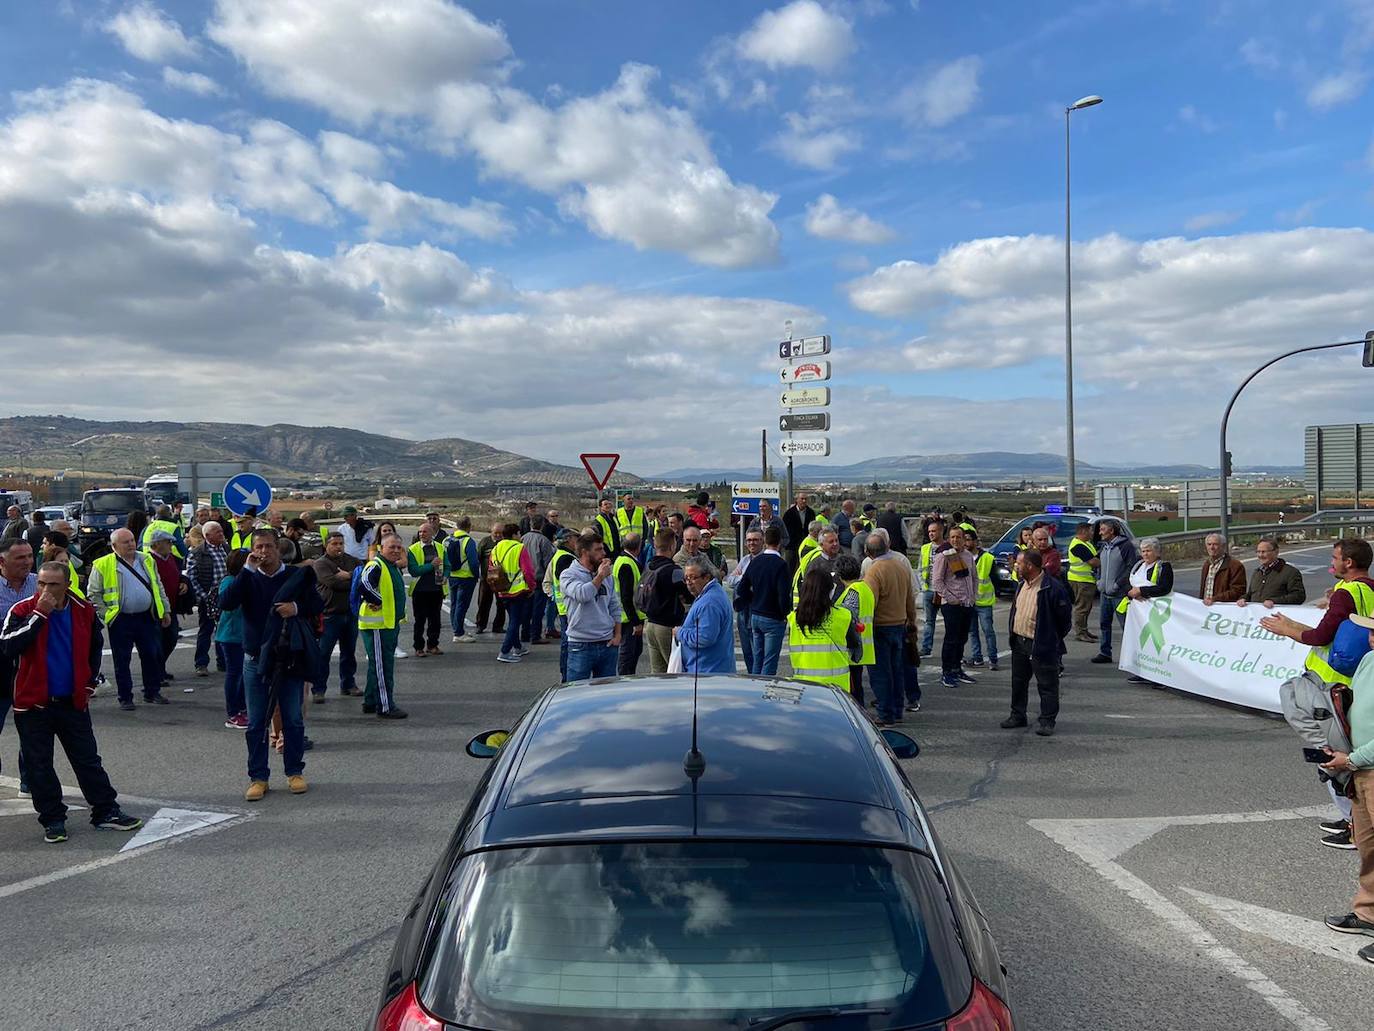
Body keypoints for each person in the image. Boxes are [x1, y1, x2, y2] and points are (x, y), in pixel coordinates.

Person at [0, 561, 142, 843]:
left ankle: (106, 811)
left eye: (53, 584)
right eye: (41, 583)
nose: (46, 590)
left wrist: (88, 684)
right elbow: (7, 645)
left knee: (88, 760)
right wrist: (40, 614)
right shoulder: (23, 610)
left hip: (71, 702)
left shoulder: (83, 610)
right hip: (34, 704)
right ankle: (53, 819)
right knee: (40, 766)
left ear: (67, 584)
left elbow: (93, 648)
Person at [1263, 538, 1374, 849]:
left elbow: (1321, 636)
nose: (1332, 561)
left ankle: (1356, 826)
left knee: (1331, 755)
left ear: (1348, 563)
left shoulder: (1345, 593)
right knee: (1345, 751)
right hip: (1356, 682)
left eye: (1335, 557)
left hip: (1331, 686)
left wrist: (1287, 628)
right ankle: (1352, 817)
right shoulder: (1369, 589)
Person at [220, 529, 324, 799]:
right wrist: (246, 571)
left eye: (268, 547)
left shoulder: (294, 576)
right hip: (255, 658)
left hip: (288, 657)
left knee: (292, 718)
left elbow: (316, 603)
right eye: (258, 547)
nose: (263, 552)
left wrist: (296, 609)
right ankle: (258, 777)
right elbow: (227, 603)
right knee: (256, 722)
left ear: (278, 549)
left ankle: (294, 772)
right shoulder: (248, 577)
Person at [1315, 612, 1374, 963]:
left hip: (1363, 763)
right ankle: (1368, 913)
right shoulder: (1368, 661)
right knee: (1367, 846)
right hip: (1361, 768)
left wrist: (1351, 759)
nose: (1369, 637)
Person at [87, 528, 170, 710]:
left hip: (146, 617)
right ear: (114, 546)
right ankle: (125, 697)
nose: (131, 544)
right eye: (126, 542)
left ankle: (152, 691)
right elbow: (94, 595)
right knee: (122, 660)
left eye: (132, 540)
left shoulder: (146, 559)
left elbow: (158, 585)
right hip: (121, 620)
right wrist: (107, 616)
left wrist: (165, 610)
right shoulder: (102, 564)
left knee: (151, 655)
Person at [1001, 548, 1072, 736]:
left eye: (1019, 563)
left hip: (1041, 645)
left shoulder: (1052, 588)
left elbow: (1064, 620)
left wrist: (1051, 638)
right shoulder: (1022, 584)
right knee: (1018, 682)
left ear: (1030, 566)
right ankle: (1018, 715)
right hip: (1019, 642)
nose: (1016, 566)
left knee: (1047, 685)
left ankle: (1047, 721)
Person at [863, 532, 918, 728]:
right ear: (887, 547)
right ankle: (897, 710)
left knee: (880, 673)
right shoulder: (901, 567)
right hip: (900, 625)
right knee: (897, 671)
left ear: (867, 551)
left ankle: (885, 714)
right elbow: (910, 599)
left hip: (880, 628)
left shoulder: (874, 571)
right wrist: (912, 621)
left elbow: (870, 603)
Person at [355, 533, 409, 719]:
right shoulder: (376, 565)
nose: (395, 550)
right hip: (378, 626)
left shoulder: (391, 566)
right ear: (381, 548)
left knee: (376, 665)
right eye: (391, 547)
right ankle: (385, 706)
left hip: (388, 624)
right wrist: (376, 599)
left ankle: (370, 701)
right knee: (383, 667)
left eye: (398, 548)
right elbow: (364, 585)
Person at [0, 539, 38, 796]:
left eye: (29, 556)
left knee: (33, 730)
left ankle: (29, 779)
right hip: (0, 666)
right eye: (20, 558)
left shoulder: (39, 583)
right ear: (2, 562)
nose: (27, 562)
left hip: (32, 667)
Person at [788, 564, 862, 692]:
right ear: (831, 590)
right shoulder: (844, 616)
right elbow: (856, 651)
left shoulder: (793, 619)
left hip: (803, 684)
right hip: (837, 687)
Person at [560, 532, 622, 681]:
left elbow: (614, 606)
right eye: (598, 549)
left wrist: (618, 635)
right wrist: (599, 577)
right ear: (584, 552)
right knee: (577, 695)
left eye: (603, 549)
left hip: (607, 643)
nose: (604, 553)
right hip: (580, 645)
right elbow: (583, 594)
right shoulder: (568, 575)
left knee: (606, 696)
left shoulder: (608, 576)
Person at [1117, 537, 1174, 684]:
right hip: (1136, 612)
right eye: (1143, 551)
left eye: (1149, 551)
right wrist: (1130, 592)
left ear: (1157, 552)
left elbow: (1164, 588)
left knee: (1156, 643)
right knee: (1139, 641)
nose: (1145, 554)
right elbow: (1122, 580)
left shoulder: (1164, 567)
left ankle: (1159, 676)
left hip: (1155, 613)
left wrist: (1141, 591)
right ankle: (1141, 672)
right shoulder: (1138, 566)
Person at [736, 525, 790, 676]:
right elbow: (783, 595)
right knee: (769, 662)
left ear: (765, 542)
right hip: (773, 617)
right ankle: (764, 694)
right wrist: (784, 614)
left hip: (755, 615)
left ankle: (754, 689)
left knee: (757, 659)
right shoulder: (781, 565)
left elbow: (741, 589)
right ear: (779, 543)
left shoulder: (755, 562)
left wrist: (754, 599)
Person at [312, 532, 361, 700]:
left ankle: (348, 684)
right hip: (329, 616)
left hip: (350, 614)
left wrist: (347, 575)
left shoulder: (351, 560)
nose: (338, 547)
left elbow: (361, 577)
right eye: (334, 544)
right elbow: (332, 583)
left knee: (349, 652)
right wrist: (351, 577)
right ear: (327, 545)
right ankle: (319, 689)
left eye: (341, 543)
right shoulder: (320, 564)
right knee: (323, 654)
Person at [932, 526, 979, 689]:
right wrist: (950, 598)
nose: (955, 540)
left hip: (967, 603)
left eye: (958, 537)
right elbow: (937, 581)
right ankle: (947, 672)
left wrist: (973, 596)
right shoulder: (944, 556)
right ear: (948, 538)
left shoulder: (967, 556)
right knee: (951, 639)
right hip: (952, 604)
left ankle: (957, 668)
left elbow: (974, 577)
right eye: (952, 537)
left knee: (962, 638)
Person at [643, 528, 691, 674]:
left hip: (650, 624)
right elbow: (688, 595)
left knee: (657, 672)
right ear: (672, 545)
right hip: (667, 626)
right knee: (674, 670)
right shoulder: (673, 570)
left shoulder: (649, 565)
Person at [678, 556, 735, 673]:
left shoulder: (709, 603)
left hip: (707, 673)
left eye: (693, 578)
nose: (689, 583)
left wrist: (680, 632)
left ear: (707, 577)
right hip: (709, 669)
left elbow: (705, 637)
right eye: (686, 578)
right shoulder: (711, 593)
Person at [1092, 519, 1138, 665]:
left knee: (1126, 626)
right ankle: (1105, 653)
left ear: (1112, 531)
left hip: (1119, 594)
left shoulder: (1125, 546)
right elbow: (1100, 567)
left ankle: (1132, 656)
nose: (1100, 532)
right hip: (1105, 593)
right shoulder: (1104, 547)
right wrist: (1098, 581)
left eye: (1102, 529)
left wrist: (1118, 584)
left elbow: (1131, 567)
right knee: (1104, 624)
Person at [147, 530, 187, 690]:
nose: (171, 545)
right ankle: (157, 672)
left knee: (170, 638)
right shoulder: (149, 560)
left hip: (171, 607)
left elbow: (179, 573)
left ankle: (160, 668)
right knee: (158, 642)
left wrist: (183, 581)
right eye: (167, 542)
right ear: (156, 544)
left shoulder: (170, 558)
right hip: (156, 609)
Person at [834, 554, 875, 708]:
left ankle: (858, 716)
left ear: (839, 575)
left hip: (853, 648)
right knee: (857, 686)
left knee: (854, 689)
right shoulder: (865, 588)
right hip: (864, 645)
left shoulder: (853, 592)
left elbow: (848, 618)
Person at [493, 522, 537, 663]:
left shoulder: (496, 547)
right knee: (515, 621)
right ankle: (504, 651)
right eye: (518, 534)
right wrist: (531, 587)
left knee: (513, 618)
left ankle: (518, 647)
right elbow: (528, 571)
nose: (520, 536)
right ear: (514, 535)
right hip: (518, 589)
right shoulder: (519, 548)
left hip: (502, 588)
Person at [215, 549, 249, 729]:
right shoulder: (229, 581)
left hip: (245, 635)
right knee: (235, 673)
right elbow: (230, 606)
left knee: (245, 674)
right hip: (231, 636)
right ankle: (233, 712)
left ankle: (243, 707)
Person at [407, 520, 449, 657]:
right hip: (420, 590)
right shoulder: (413, 549)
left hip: (436, 589)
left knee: (435, 620)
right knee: (419, 620)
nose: (421, 534)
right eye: (420, 531)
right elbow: (413, 570)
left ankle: (433, 645)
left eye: (425, 531)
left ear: (432, 533)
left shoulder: (441, 548)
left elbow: (447, 565)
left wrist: (446, 576)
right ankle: (418, 647)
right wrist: (431, 565)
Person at [726, 528, 764, 674]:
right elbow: (730, 581)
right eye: (749, 540)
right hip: (742, 609)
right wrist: (744, 578)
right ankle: (750, 675)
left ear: (762, 541)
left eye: (755, 540)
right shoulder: (745, 560)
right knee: (746, 649)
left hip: (756, 609)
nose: (751, 543)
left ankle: (758, 677)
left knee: (757, 650)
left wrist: (742, 577)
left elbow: (759, 584)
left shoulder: (764, 560)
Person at [544, 529, 578, 680]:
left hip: (563, 605)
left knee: (567, 642)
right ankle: (566, 676)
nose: (577, 542)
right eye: (576, 538)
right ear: (568, 540)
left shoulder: (560, 555)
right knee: (568, 644)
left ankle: (565, 673)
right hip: (567, 607)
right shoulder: (566, 558)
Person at [964, 528, 999, 671]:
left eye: (968, 539)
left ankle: (993, 658)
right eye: (964, 539)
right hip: (969, 602)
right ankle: (977, 657)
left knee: (988, 631)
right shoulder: (962, 557)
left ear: (975, 541)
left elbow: (995, 579)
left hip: (984, 602)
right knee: (972, 632)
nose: (966, 543)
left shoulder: (988, 558)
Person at [1238, 537, 1307, 608]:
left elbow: (1299, 596)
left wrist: (1274, 601)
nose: (1260, 555)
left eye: (1264, 552)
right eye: (1258, 552)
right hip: (1256, 616)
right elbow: (1250, 594)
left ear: (1276, 552)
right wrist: (1243, 599)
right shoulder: (1257, 572)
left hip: (1278, 616)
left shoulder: (1291, 572)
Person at [613, 532, 646, 675]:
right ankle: (624, 683)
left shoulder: (622, 560)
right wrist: (636, 622)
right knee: (627, 657)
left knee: (634, 652)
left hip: (625, 616)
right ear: (639, 546)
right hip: (628, 619)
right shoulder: (627, 564)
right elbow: (627, 597)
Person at [520, 516, 554, 646]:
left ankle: (525, 633)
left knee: (526, 608)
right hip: (538, 578)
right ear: (542, 526)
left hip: (525, 577)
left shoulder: (523, 538)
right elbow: (548, 562)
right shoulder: (544, 541)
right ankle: (535, 635)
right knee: (538, 610)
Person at [445, 517, 480, 643]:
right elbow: (473, 562)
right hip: (466, 577)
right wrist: (476, 575)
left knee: (454, 604)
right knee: (462, 605)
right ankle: (459, 633)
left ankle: (457, 629)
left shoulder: (447, 539)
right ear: (469, 526)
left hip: (452, 575)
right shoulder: (468, 541)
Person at [916, 520, 948, 657]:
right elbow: (920, 568)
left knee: (949, 622)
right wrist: (924, 586)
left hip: (944, 592)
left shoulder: (948, 548)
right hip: (928, 590)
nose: (931, 534)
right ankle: (926, 648)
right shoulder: (925, 548)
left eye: (934, 531)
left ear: (941, 531)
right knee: (929, 621)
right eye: (929, 531)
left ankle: (950, 650)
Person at [1066, 522, 1100, 642]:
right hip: (1080, 580)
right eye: (1090, 531)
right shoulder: (1078, 546)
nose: (1092, 533)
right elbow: (1093, 561)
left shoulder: (1086, 544)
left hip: (1086, 580)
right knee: (1082, 608)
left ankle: (1084, 630)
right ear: (1084, 532)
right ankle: (1080, 632)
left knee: (1087, 607)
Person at [474, 523, 507, 636]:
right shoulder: (485, 542)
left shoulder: (505, 543)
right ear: (491, 532)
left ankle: (498, 626)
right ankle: (480, 625)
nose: (498, 535)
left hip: (501, 579)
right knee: (483, 602)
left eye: (500, 533)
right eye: (495, 533)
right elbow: (477, 558)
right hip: (486, 578)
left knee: (501, 604)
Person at [1200, 533, 1246, 605]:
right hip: (1206, 608)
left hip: (1224, 610)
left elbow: (1238, 591)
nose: (1212, 547)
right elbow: (1203, 590)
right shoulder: (1207, 565)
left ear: (1223, 546)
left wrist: (1214, 599)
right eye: (1209, 544)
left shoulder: (1235, 566)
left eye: (1215, 544)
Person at [782, 492, 817, 572]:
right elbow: (784, 529)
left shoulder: (811, 513)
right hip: (792, 546)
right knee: (790, 568)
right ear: (797, 500)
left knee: (805, 568)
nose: (804, 501)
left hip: (806, 545)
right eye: (802, 499)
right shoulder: (789, 513)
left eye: (806, 499)